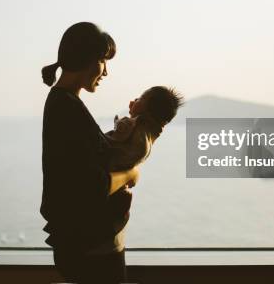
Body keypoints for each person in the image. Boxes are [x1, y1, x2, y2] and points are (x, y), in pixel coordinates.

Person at [40, 22, 139, 284]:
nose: (106, 71)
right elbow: (92, 185)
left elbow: (81, 160)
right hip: (92, 249)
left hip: (88, 244)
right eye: (102, 61)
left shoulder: (64, 103)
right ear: (84, 58)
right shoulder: (67, 109)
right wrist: (130, 173)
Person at [105, 86, 184, 171]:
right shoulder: (149, 137)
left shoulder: (130, 125)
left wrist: (119, 122)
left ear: (147, 112)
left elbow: (108, 141)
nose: (135, 100)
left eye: (140, 98)